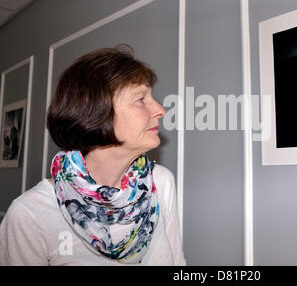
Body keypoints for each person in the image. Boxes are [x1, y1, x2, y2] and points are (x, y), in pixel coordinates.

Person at [0, 45, 186, 265]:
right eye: (140, 99)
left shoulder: (160, 182)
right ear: (96, 113)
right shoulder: (29, 214)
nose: (160, 110)